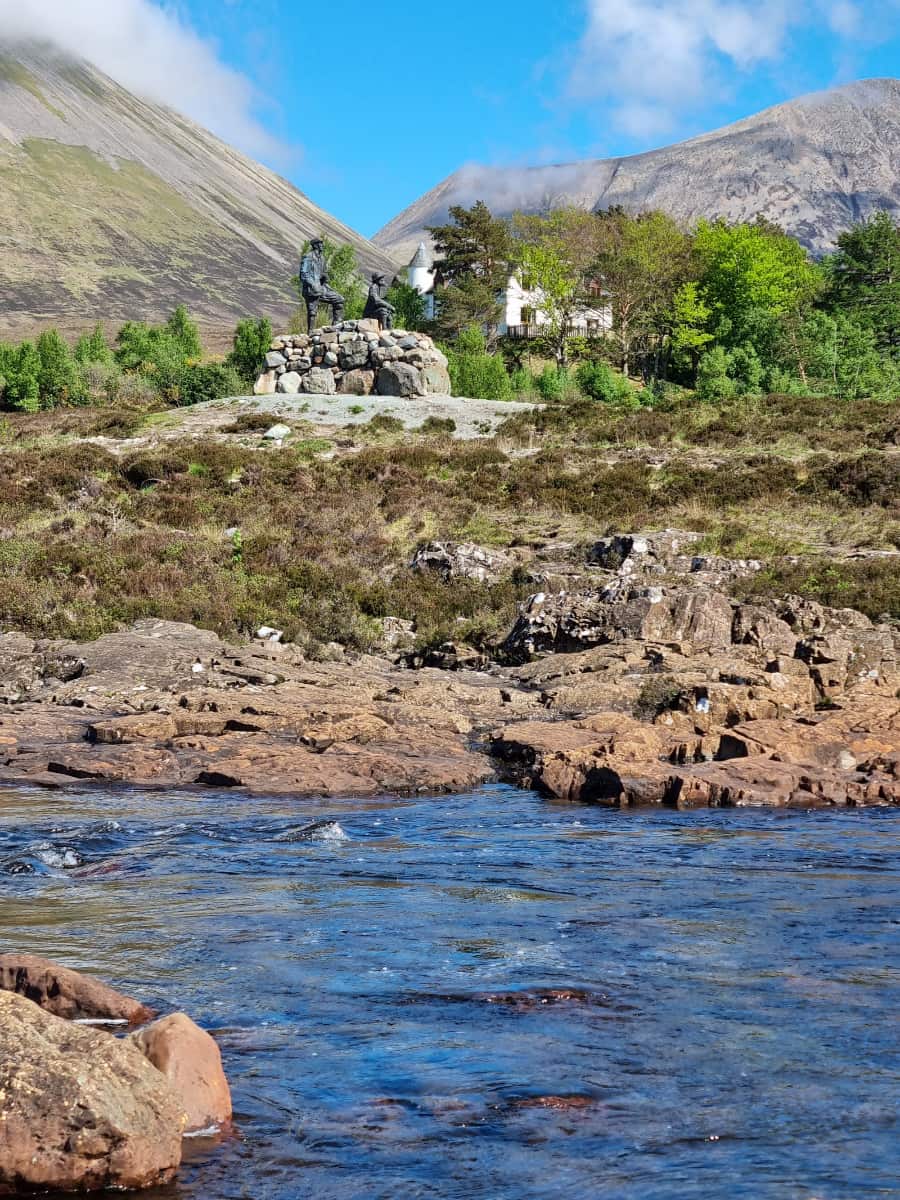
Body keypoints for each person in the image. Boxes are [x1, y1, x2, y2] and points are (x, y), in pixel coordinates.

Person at [299, 237, 345, 330]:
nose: (322, 245)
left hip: (322, 287)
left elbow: (323, 272)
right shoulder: (308, 257)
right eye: (320, 244)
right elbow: (303, 275)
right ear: (315, 245)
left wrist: (325, 276)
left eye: (322, 243)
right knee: (312, 312)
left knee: (339, 299)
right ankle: (311, 332)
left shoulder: (322, 258)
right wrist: (312, 284)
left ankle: (336, 326)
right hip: (310, 289)